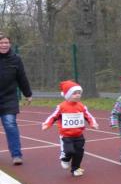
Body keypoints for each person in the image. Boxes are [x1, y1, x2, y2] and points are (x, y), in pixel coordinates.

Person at [41, 80, 99, 176]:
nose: (77, 95)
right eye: (74, 93)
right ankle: (65, 158)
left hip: (79, 135)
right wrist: (47, 124)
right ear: (68, 95)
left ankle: (75, 169)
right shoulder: (61, 106)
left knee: (79, 153)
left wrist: (93, 123)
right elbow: (53, 116)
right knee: (69, 151)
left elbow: (88, 116)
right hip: (66, 135)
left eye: (79, 93)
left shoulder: (82, 106)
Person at [0, 32, 33, 165]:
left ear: (10, 44)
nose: (4, 45)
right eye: (1, 42)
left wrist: (28, 94)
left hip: (9, 98)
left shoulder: (16, 59)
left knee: (10, 124)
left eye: (6, 42)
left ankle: (16, 155)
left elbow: (22, 77)